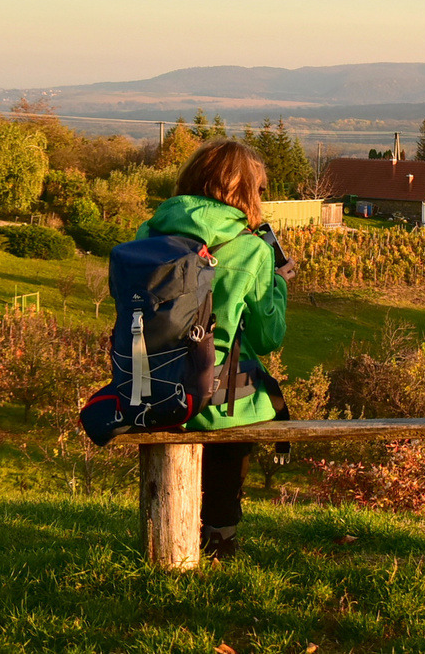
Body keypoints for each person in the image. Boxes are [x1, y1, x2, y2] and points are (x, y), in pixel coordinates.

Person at [135, 139, 297, 560]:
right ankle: (220, 535)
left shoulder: (149, 232)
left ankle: (172, 535)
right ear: (245, 191)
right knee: (244, 411)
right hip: (220, 398)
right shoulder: (251, 248)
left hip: (148, 386)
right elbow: (267, 338)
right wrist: (278, 280)